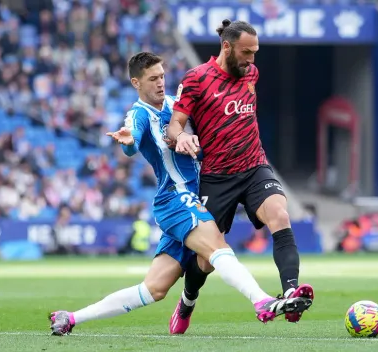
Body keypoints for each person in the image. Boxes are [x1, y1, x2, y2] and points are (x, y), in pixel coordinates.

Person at [48, 52, 311, 336]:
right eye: (152, 79)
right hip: (176, 198)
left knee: (154, 289)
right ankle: (262, 302)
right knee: (217, 247)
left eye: (162, 76)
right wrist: (127, 142)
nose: (161, 83)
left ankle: (71, 317)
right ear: (136, 83)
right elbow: (131, 139)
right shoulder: (138, 114)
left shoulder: (177, 105)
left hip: (201, 193)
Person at [166, 19, 314, 334]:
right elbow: (174, 125)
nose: (251, 60)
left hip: (254, 166)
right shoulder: (197, 79)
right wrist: (181, 137)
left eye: (255, 53)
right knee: (206, 258)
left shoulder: (251, 74)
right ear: (227, 46)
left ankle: (290, 294)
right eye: (246, 52)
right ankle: (188, 301)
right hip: (217, 177)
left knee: (280, 214)